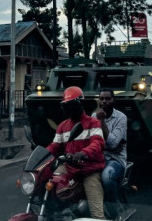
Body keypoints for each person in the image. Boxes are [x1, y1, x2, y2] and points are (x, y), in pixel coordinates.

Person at [47, 86, 106, 219]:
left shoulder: (93, 123)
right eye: (67, 106)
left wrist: (83, 153)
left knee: (97, 213)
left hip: (89, 169)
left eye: (72, 105)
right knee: (50, 183)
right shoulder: (63, 126)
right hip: (69, 167)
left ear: (81, 104)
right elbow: (54, 146)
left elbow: (98, 143)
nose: (69, 109)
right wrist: (42, 156)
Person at [92, 89, 127, 218]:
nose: (104, 102)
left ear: (114, 100)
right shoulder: (93, 116)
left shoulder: (121, 117)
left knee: (107, 177)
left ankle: (114, 213)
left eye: (108, 99)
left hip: (115, 159)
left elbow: (112, 143)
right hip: (96, 157)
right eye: (101, 99)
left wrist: (101, 121)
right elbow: (91, 139)